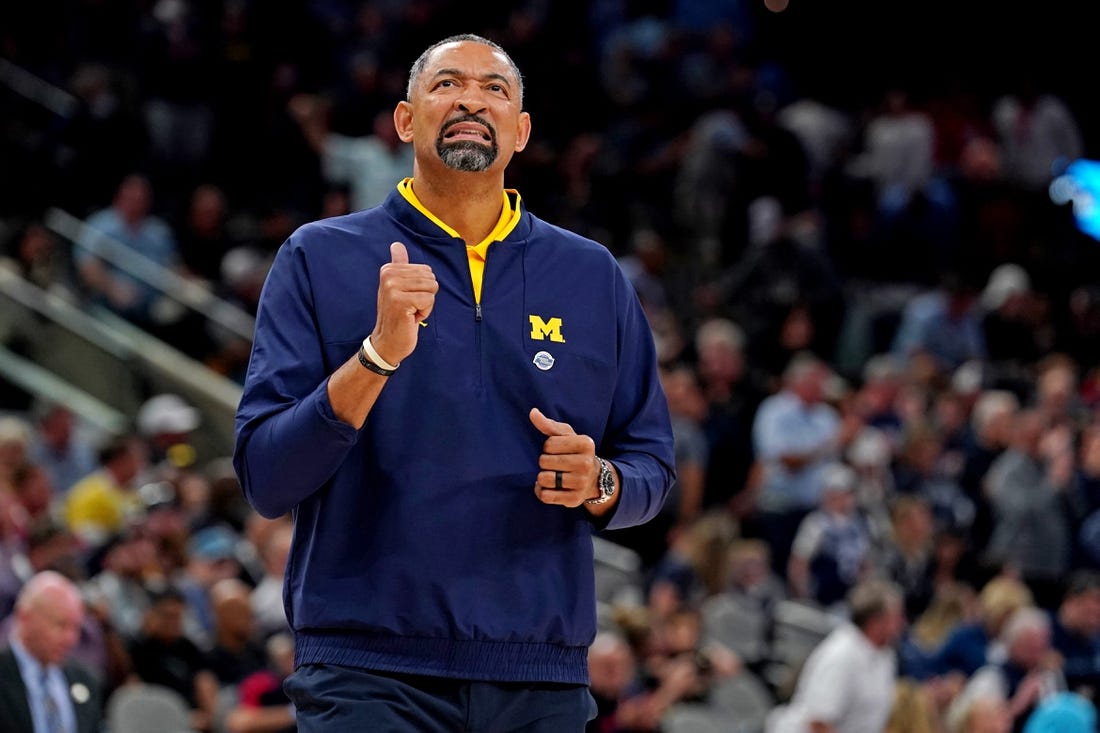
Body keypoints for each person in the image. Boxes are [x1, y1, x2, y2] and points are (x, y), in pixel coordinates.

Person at [233, 33, 676, 732]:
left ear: (521, 132)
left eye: (494, 89)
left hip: (541, 673)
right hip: (366, 670)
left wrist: (602, 482)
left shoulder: (593, 277)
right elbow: (266, 475)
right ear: (406, 119)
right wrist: (375, 355)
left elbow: (652, 466)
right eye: (446, 84)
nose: (471, 98)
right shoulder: (317, 258)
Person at [766, 579, 907, 733]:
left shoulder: (886, 655)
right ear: (876, 621)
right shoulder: (841, 654)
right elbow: (818, 723)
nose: (902, 623)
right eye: (896, 617)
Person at [0, 570, 102, 733]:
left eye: (76, 628)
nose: (71, 639)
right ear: (25, 617)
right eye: (60, 625)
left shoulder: (86, 680)